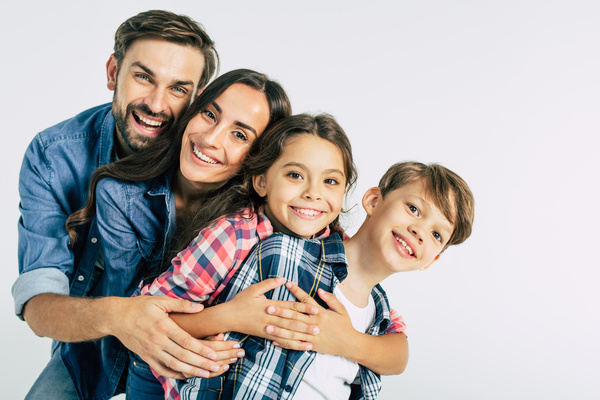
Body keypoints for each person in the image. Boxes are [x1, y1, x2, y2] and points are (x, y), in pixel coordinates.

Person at [13, 10, 219, 400]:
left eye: (178, 89)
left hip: (186, 358)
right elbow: (39, 306)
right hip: (89, 351)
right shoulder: (53, 156)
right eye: (143, 77)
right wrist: (121, 317)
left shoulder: (211, 161)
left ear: (196, 99)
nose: (157, 104)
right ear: (113, 72)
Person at [137, 114, 411, 400]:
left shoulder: (337, 249)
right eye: (295, 175)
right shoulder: (233, 237)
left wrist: (348, 341)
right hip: (167, 378)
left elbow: (396, 350)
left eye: (330, 181)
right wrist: (229, 317)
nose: (313, 193)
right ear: (261, 181)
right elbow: (148, 318)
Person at [67, 68, 297, 399]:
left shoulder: (254, 218)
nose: (211, 139)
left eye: (240, 135)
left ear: (260, 157)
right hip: (119, 350)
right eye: (209, 114)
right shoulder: (119, 196)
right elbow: (135, 316)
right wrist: (226, 317)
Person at [185, 160, 476, 399]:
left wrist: (348, 342)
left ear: (432, 260)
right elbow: (208, 349)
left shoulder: (381, 320)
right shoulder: (282, 254)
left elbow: (399, 358)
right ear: (374, 201)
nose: (420, 230)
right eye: (413, 209)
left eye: (437, 234)